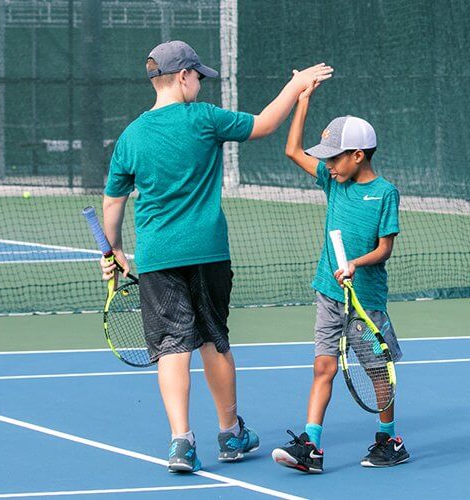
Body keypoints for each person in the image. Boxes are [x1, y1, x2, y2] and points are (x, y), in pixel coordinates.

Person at [100, 40, 333, 473]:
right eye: (198, 76)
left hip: (157, 257)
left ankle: (181, 443)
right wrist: (297, 84)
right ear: (183, 76)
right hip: (208, 253)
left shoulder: (130, 136)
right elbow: (265, 124)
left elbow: (113, 201)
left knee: (172, 348)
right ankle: (230, 434)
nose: (200, 84)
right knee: (214, 341)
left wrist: (113, 249)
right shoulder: (205, 118)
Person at [271, 78, 409, 473]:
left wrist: (355, 264)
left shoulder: (385, 193)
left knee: (378, 372)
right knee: (323, 367)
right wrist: (303, 100)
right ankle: (310, 446)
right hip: (329, 294)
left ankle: (389, 439)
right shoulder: (332, 183)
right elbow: (292, 150)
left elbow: (384, 249)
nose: (328, 165)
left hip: (366, 302)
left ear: (359, 156)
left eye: (334, 158)